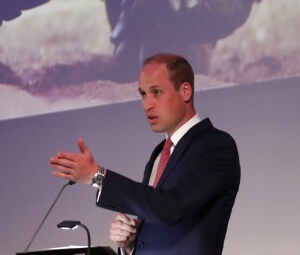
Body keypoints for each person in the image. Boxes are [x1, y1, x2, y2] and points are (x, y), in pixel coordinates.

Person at [50, 53, 241, 255]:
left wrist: (98, 177)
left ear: (185, 91)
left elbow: (172, 208)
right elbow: (156, 214)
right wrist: (130, 243)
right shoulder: (160, 153)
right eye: (143, 94)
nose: (147, 104)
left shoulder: (216, 145)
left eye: (156, 92)